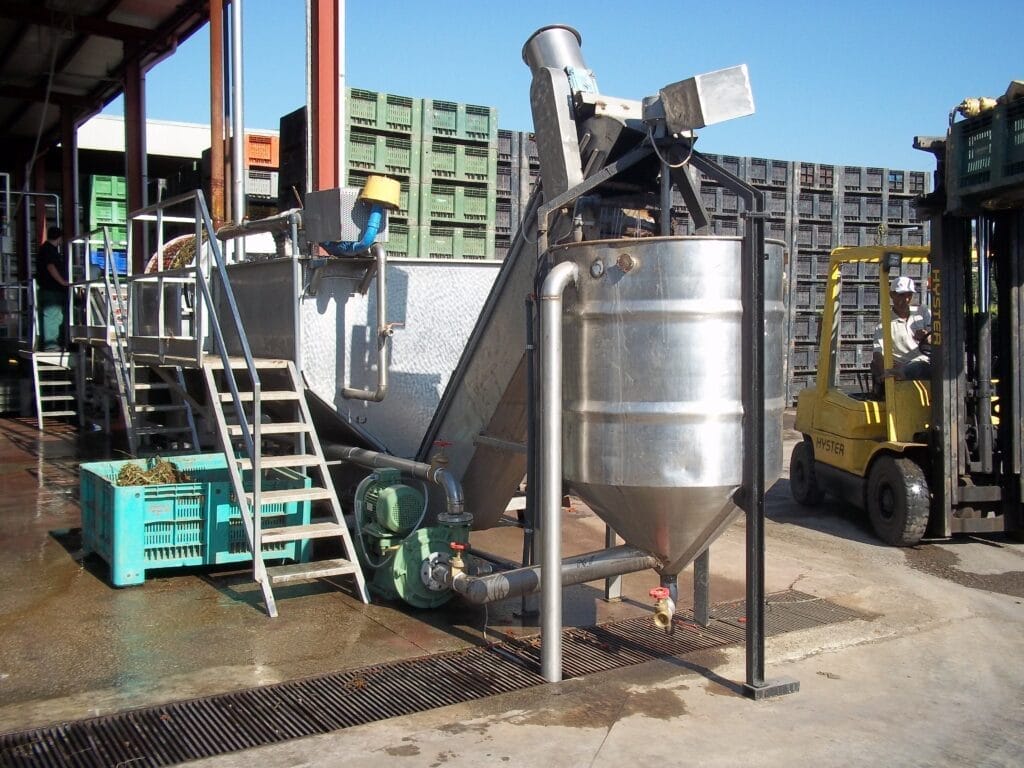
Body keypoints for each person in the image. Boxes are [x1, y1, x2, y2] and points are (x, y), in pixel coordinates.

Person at [871, 275, 932, 385]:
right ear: (892, 295)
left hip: (925, 362)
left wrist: (927, 337)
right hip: (902, 366)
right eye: (901, 295)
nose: (906, 299)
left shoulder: (922, 311)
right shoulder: (885, 322)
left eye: (909, 295)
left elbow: (937, 339)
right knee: (914, 367)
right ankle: (899, 372)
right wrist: (884, 371)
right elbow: (878, 352)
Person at [35, 225, 69, 351]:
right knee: (52, 316)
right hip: (51, 290)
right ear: (59, 238)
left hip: (48, 289)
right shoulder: (49, 250)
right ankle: (51, 346)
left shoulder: (45, 249)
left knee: (53, 316)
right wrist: (63, 282)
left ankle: (50, 344)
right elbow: (51, 267)